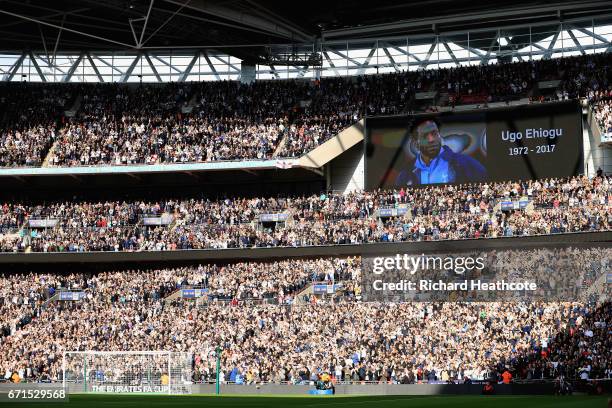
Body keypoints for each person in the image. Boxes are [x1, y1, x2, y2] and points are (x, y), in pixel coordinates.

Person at [394, 118, 486, 186]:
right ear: (416, 143)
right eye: (425, 136)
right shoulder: (405, 175)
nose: (432, 139)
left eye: (434, 133)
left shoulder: (465, 163)